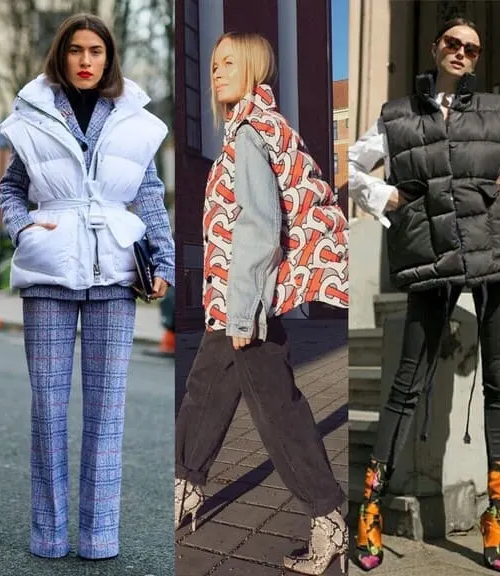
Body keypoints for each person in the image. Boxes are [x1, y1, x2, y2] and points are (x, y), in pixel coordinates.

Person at [349, 17, 500, 574]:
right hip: (431, 255)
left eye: (471, 47)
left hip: (497, 254)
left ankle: (497, 514)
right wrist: (385, 197)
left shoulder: (498, 109)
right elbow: (350, 164)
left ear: (477, 57)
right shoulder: (398, 115)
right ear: (435, 48)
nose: (462, 53)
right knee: (404, 385)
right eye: (453, 43)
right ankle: (369, 508)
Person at [0, 13, 174, 560]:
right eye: (76, 49)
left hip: (115, 273)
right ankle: (49, 534)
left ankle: (99, 536)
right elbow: (10, 189)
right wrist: (25, 227)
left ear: (108, 57)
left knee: (107, 414)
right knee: (47, 412)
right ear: (61, 55)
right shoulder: (29, 118)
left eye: (96, 50)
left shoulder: (134, 120)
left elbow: (148, 194)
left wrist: (163, 260)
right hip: (49, 272)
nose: (86, 60)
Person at [175, 32, 349, 575]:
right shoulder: (250, 127)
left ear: (252, 67)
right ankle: (186, 486)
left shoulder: (249, 132)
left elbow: (258, 225)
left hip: (245, 299)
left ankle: (329, 518)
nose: (216, 71)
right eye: (213, 63)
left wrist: (245, 312)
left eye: (229, 62)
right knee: (207, 386)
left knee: (276, 409)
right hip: (236, 298)